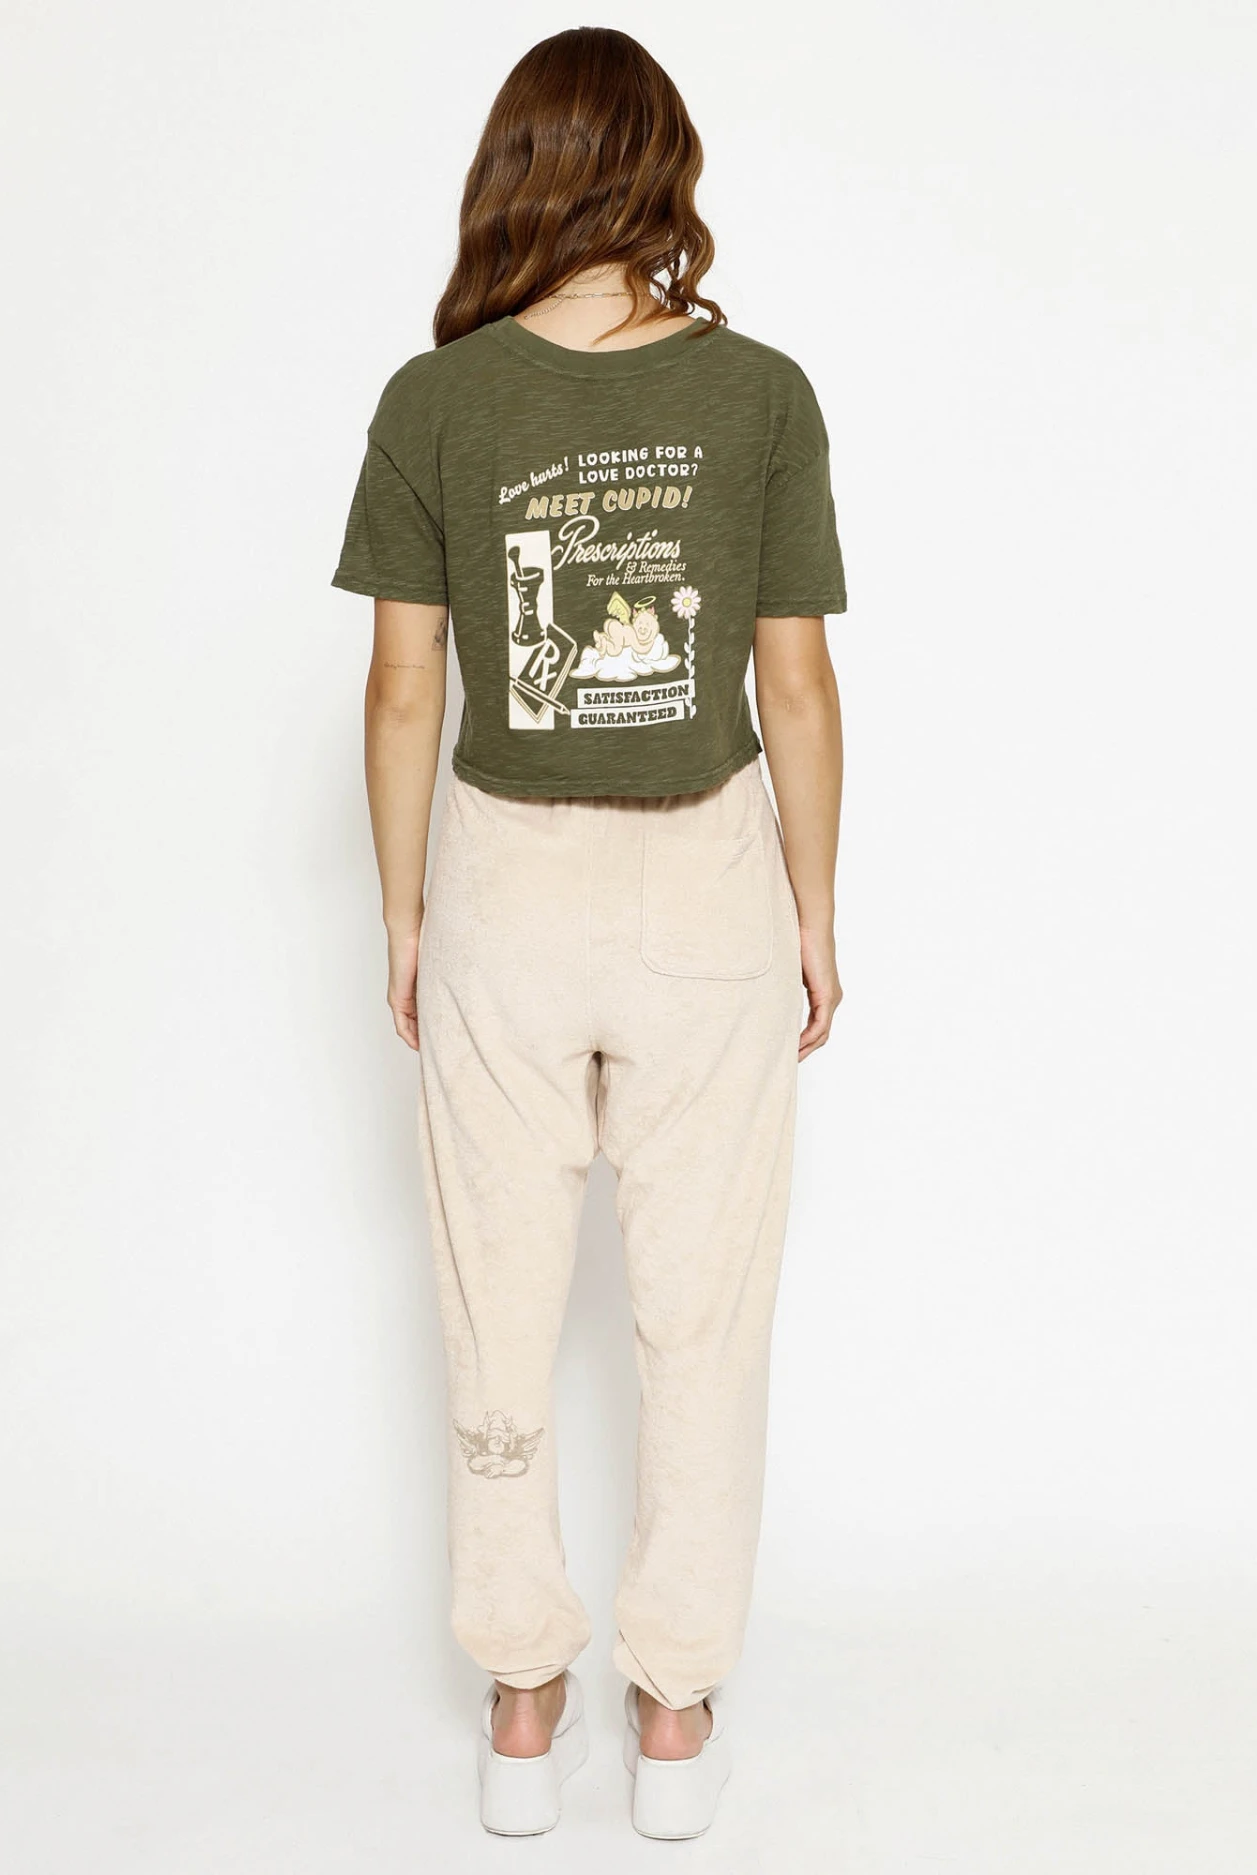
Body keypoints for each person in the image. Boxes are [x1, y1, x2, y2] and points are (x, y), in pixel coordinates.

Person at [333, 26, 847, 1840]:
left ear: (517, 171)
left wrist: (405, 912)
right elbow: (794, 680)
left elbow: (406, 687)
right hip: (707, 882)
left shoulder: (437, 399)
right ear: (665, 170)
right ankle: (678, 1710)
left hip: (504, 884)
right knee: (702, 1309)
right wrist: (815, 910)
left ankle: (521, 1697)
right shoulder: (760, 393)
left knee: (497, 1300)